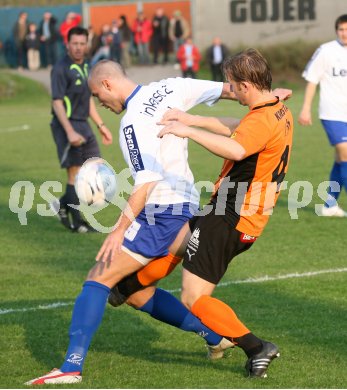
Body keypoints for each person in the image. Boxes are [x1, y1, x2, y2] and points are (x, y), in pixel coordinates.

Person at [25, 60, 250, 385]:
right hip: (186, 205)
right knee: (135, 293)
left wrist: (118, 231)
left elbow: (145, 182)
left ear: (106, 85)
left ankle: (71, 366)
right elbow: (230, 89)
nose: (100, 104)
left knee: (99, 278)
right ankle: (215, 337)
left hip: (161, 212)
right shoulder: (170, 86)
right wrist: (264, 101)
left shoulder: (132, 122)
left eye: (97, 96)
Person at [155, 48, 294, 378]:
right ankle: (128, 286)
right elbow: (240, 127)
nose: (230, 90)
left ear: (246, 85)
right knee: (179, 240)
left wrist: (187, 131)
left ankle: (256, 347)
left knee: (193, 297)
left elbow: (237, 146)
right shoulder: (275, 108)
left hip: (232, 215)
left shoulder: (260, 118)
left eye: (232, 85)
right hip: (236, 211)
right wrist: (191, 118)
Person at [49, 27, 112, 233]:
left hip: (83, 124)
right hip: (66, 124)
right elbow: (57, 102)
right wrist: (69, 131)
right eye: (74, 43)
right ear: (68, 44)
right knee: (75, 173)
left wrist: (101, 125)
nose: (78, 47)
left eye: (82, 44)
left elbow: (88, 101)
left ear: (87, 44)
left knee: (93, 169)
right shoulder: (60, 69)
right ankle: (77, 223)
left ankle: (62, 204)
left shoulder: (87, 66)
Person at [298, 14, 347, 217]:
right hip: (332, 112)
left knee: (339, 159)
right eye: (341, 29)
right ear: (336, 31)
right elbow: (312, 80)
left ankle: (329, 205)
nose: (345, 33)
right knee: (346, 154)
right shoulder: (326, 50)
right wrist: (305, 108)